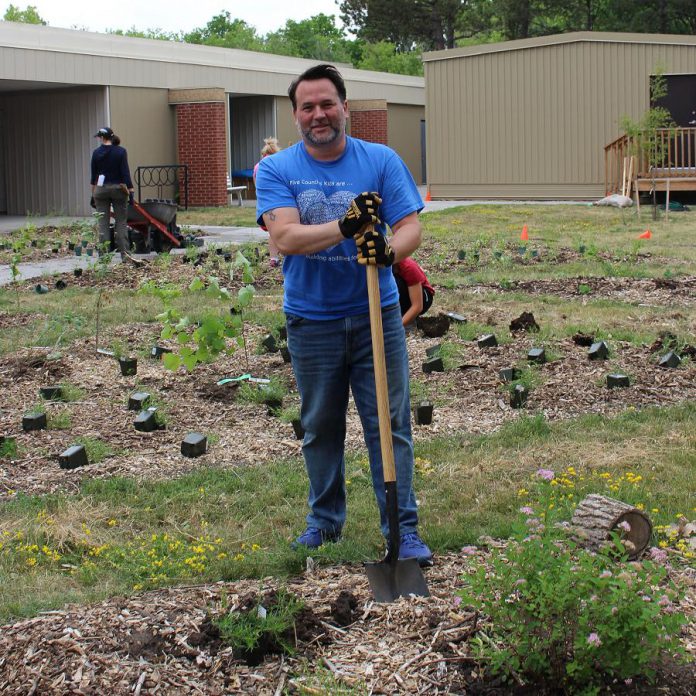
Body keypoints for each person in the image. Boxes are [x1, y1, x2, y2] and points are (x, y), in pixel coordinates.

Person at [255, 64, 432, 566]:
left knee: (389, 424)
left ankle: (403, 529)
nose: (319, 114)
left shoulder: (379, 160)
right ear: (295, 115)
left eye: (327, 103)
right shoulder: (276, 169)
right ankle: (325, 521)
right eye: (307, 107)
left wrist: (389, 252)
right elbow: (285, 237)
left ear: (345, 108)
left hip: (374, 312)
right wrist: (346, 223)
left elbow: (410, 226)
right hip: (312, 320)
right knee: (320, 425)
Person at [90, 126, 134, 259]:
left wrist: (93, 195)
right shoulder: (121, 152)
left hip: (101, 190)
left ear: (102, 138)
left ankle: (103, 256)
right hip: (118, 190)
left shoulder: (96, 153)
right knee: (121, 222)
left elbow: (93, 177)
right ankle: (125, 255)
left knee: (103, 223)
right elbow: (125, 173)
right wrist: (131, 191)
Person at [253, 136, 282, 268]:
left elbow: (256, 186)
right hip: (278, 203)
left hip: (264, 205)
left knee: (272, 232)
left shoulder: (258, 166)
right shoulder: (276, 164)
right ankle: (285, 255)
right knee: (282, 230)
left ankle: (274, 258)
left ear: (264, 153)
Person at [393, 257, 434, 327]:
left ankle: (406, 318)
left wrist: (397, 327)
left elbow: (417, 306)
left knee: (395, 284)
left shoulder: (408, 266)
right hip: (406, 294)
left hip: (423, 297)